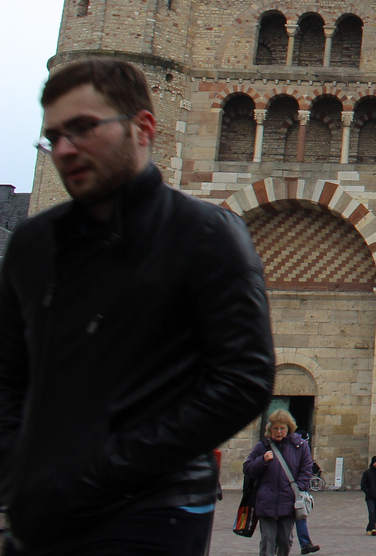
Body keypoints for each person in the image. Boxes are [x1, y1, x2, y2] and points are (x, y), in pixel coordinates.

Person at [0, 58, 276, 554]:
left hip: (154, 510)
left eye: (83, 128)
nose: (65, 149)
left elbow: (243, 379)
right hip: (43, 510)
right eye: (53, 136)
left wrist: (111, 467)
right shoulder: (32, 244)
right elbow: (9, 376)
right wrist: (17, 471)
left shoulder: (206, 235)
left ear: (144, 128)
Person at [245, 409, 315, 556]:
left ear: (289, 428)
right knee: (267, 541)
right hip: (266, 501)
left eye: (282, 428)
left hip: (288, 501)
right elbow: (248, 468)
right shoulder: (262, 447)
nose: (278, 432)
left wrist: (298, 489)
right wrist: (262, 460)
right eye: (275, 428)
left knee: (285, 540)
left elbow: (307, 469)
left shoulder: (300, 446)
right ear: (269, 429)